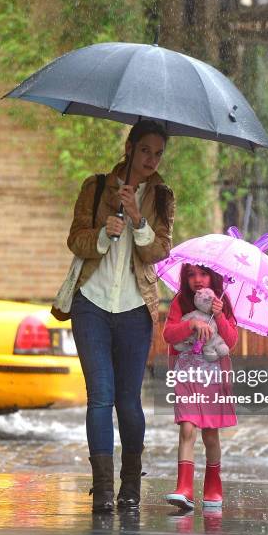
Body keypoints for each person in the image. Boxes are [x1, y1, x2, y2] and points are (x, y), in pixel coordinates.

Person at [67, 119, 175, 513]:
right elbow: (74, 238)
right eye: (145, 150)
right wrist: (102, 233)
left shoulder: (162, 196)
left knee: (128, 401)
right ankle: (103, 490)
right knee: (100, 398)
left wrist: (137, 219)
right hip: (91, 304)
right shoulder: (95, 186)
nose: (151, 159)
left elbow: (160, 251)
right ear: (129, 148)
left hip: (135, 309)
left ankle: (130, 484)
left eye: (158, 153)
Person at [163, 264, 238, 510]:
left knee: (210, 434)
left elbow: (231, 340)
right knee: (187, 428)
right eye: (191, 274)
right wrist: (192, 324)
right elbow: (169, 334)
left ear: (213, 276)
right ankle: (184, 487)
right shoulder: (180, 302)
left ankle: (213, 485)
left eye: (203, 274)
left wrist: (218, 315)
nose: (197, 280)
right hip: (186, 374)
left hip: (213, 376)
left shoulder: (222, 302)